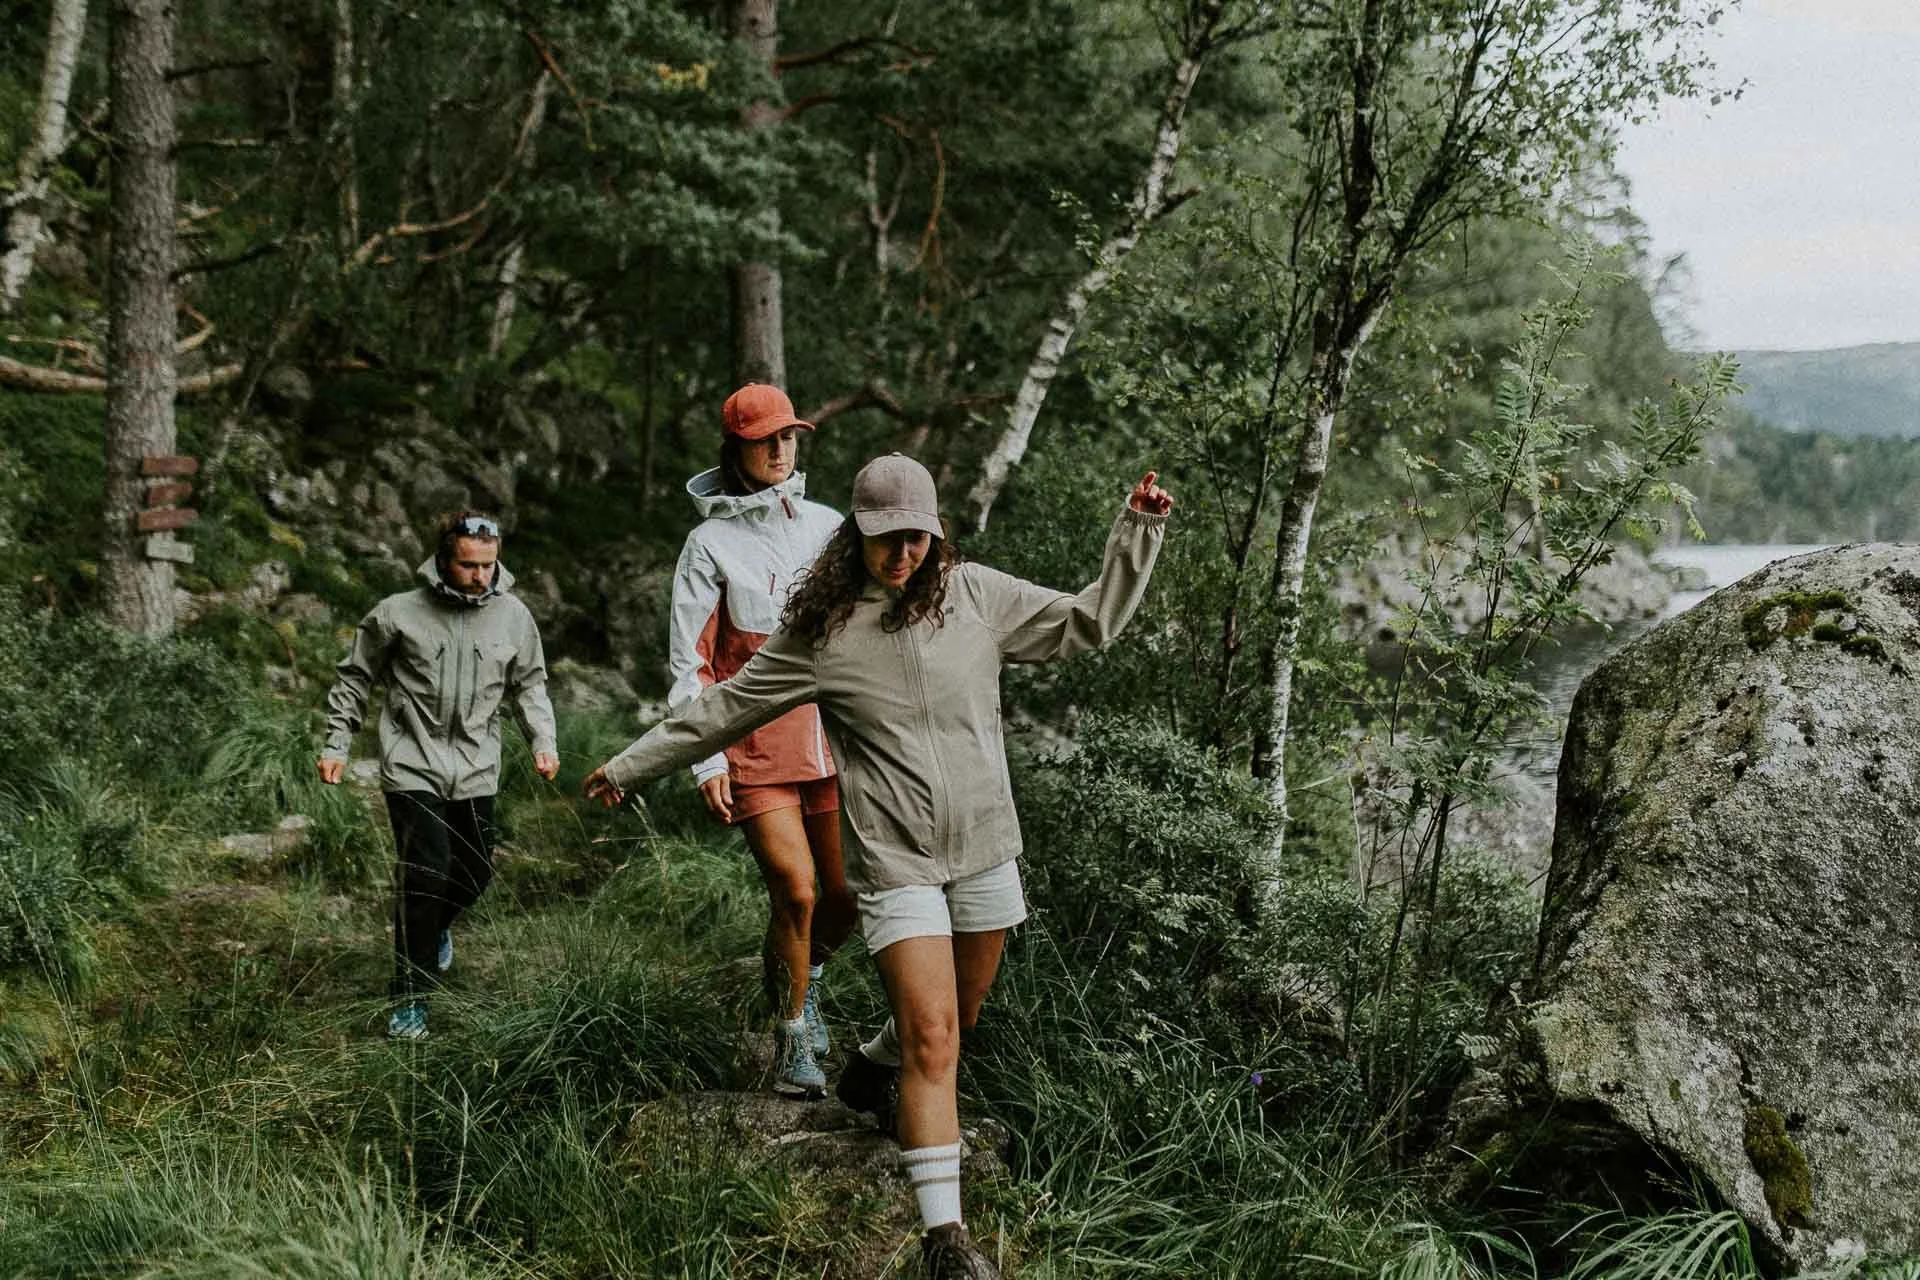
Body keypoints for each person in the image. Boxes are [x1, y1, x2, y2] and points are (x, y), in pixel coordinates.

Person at [584, 454, 1172, 1279]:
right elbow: (723, 706)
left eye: (918, 540)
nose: (903, 556)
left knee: (955, 1018)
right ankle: (947, 1242)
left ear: (937, 534)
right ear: (853, 534)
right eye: (885, 539)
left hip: (985, 849)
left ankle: (867, 1067)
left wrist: (1137, 531)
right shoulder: (821, 635)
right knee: (935, 1038)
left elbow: (1089, 622)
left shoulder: (975, 596)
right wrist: (627, 766)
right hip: (894, 860)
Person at [669, 381, 854, 1097]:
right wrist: (705, 754)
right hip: (751, 743)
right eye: (764, 439)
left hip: (832, 738)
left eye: (789, 436)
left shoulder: (830, 525)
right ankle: (791, 1040)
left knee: (845, 895)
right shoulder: (707, 544)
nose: (780, 450)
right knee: (797, 891)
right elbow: (690, 660)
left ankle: (805, 984)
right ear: (737, 448)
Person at [318, 510, 558, 1040]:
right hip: (412, 763)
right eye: (469, 566)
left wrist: (544, 740)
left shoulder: (514, 617)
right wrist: (337, 742)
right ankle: (410, 998)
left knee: (473, 873)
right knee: (425, 876)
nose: (480, 577)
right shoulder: (396, 614)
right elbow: (355, 678)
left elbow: (531, 684)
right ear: (443, 560)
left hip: (476, 766)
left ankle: (435, 931)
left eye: (489, 566)